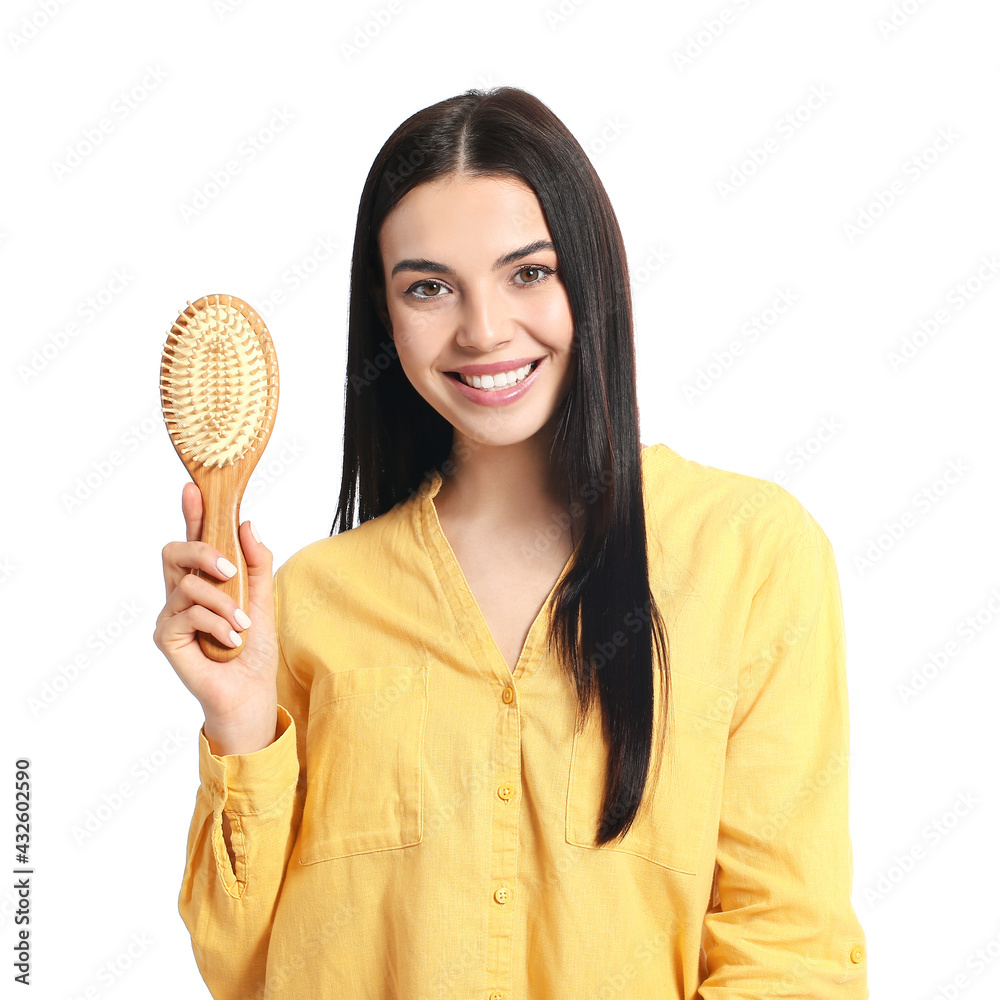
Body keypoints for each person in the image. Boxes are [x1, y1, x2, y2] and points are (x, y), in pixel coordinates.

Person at [154, 86, 869, 999]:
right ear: (384, 316)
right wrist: (241, 721)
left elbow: (789, 951)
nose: (484, 329)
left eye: (528, 272)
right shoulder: (306, 601)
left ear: (592, 276)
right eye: (428, 286)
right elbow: (250, 970)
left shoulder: (752, 557)